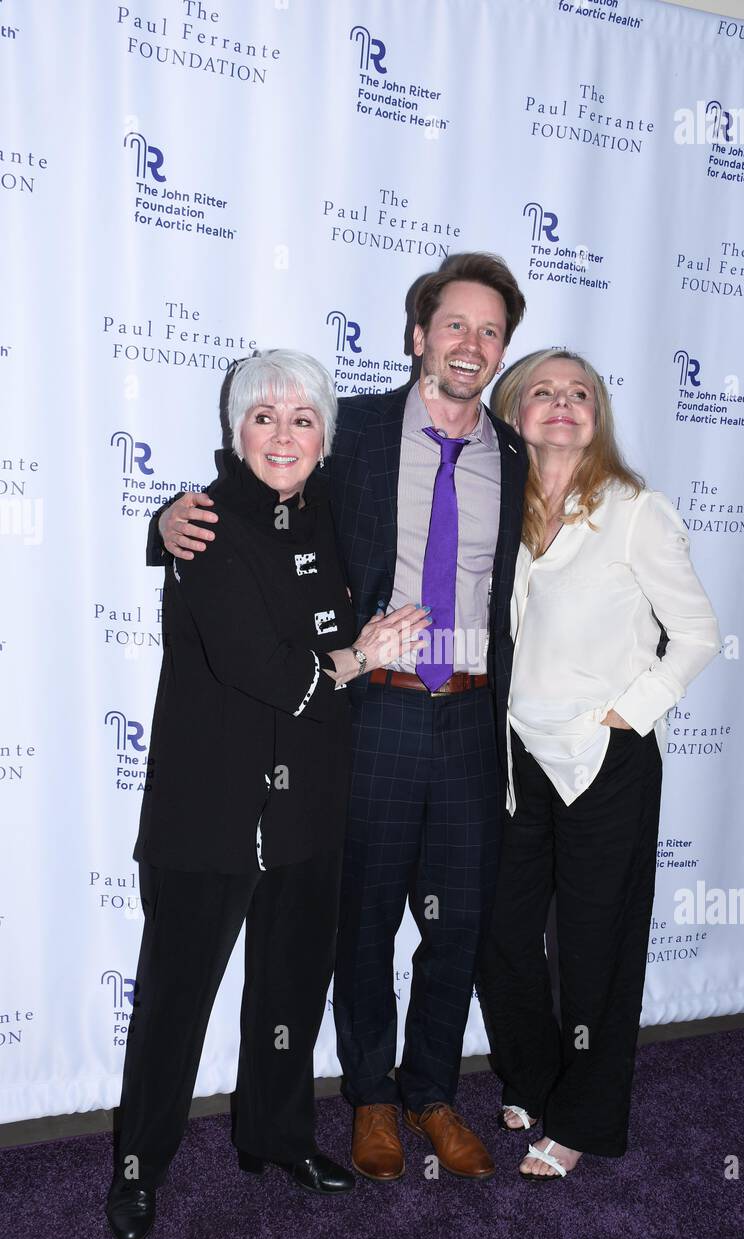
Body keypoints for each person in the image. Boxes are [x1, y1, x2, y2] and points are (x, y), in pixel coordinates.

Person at [149, 254, 530, 1182]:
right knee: (358, 921)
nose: (470, 345)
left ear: (501, 348)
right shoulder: (350, 429)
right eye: (454, 326)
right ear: (418, 336)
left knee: (459, 923)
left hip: (474, 718)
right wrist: (163, 523)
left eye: (489, 331)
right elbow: (256, 489)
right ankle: (369, 1100)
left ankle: (433, 1091)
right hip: (371, 714)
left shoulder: (514, 454)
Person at [107, 349, 430, 1239]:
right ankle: (138, 1167)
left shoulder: (333, 513)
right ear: (233, 430)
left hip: (310, 803)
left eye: (302, 419)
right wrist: (363, 658)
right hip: (207, 810)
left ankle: (277, 1140)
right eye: (263, 416)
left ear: (325, 437)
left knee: (291, 992)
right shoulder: (204, 524)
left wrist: (361, 650)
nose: (283, 434)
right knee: (175, 1004)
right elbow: (266, 671)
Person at [476, 349, 721, 1180]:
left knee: (596, 951)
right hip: (513, 757)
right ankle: (539, 1079)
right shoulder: (496, 509)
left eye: (580, 394)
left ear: (598, 417)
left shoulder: (635, 511)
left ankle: (582, 1116)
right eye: (543, 391)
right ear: (513, 411)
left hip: (604, 758)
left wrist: (629, 713)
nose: (562, 403)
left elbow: (697, 635)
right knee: (503, 937)